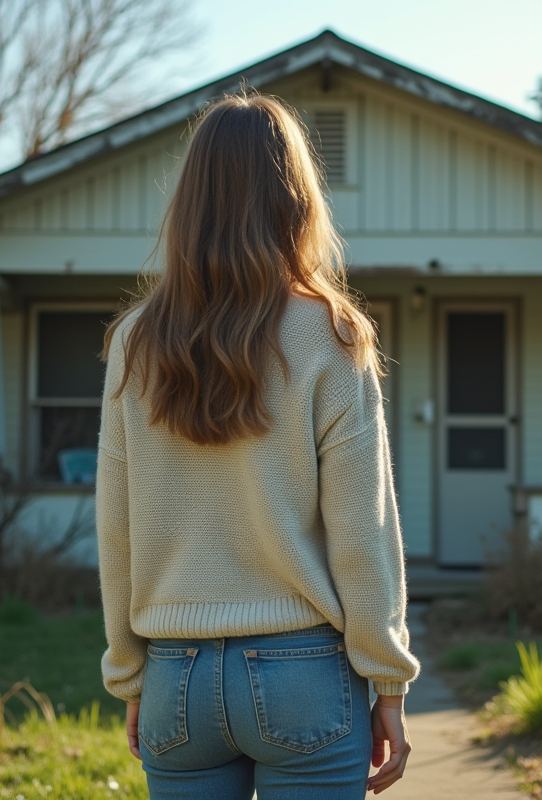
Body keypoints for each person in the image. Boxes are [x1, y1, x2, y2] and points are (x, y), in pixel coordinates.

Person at [95, 92, 420, 799]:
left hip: (175, 676)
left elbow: (116, 529)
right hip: (304, 672)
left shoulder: (134, 342)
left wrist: (130, 675)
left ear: (189, 203)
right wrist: (388, 681)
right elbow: (363, 532)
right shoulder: (334, 336)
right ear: (296, 201)